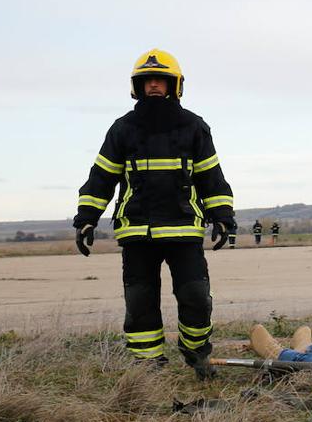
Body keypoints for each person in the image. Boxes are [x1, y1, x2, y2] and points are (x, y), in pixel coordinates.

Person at [73, 49, 237, 379]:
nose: (154, 86)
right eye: (147, 81)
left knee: (195, 297)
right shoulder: (122, 129)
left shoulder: (195, 127)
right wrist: (86, 217)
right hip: (136, 233)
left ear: (174, 85)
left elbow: (210, 177)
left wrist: (222, 215)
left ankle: (197, 354)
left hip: (184, 231)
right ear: (137, 87)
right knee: (140, 302)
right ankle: (148, 365)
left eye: (160, 80)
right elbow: (102, 176)